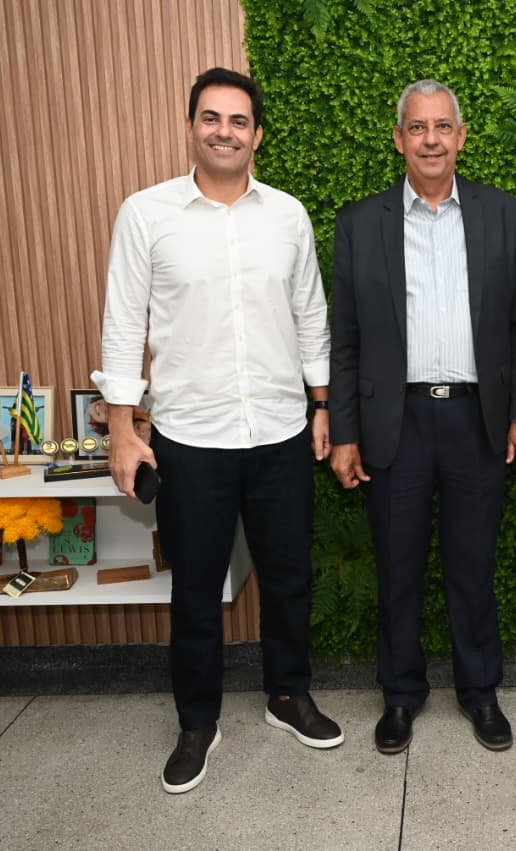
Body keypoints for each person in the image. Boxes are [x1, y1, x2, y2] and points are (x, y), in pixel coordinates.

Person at [93, 67, 342, 795]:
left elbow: (311, 318)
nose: (225, 130)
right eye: (211, 117)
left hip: (279, 433)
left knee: (290, 578)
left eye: (238, 120)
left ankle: (288, 694)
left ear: (257, 135)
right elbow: (121, 325)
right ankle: (197, 720)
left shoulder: (287, 216)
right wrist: (120, 428)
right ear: (192, 125)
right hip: (189, 438)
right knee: (196, 590)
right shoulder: (146, 214)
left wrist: (322, 406)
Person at [329, 79, 516, 755]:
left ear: (461, 136)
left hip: (478, 422)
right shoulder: (359, 223)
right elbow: (346, 338)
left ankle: (481, 694)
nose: (430, 139)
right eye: (416, 128)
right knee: (398, 567)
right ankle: (401, 695)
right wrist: (344, 429)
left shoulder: (504, 215)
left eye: (441, 127)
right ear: (398, 139)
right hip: (396, 423)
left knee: (472, 566)